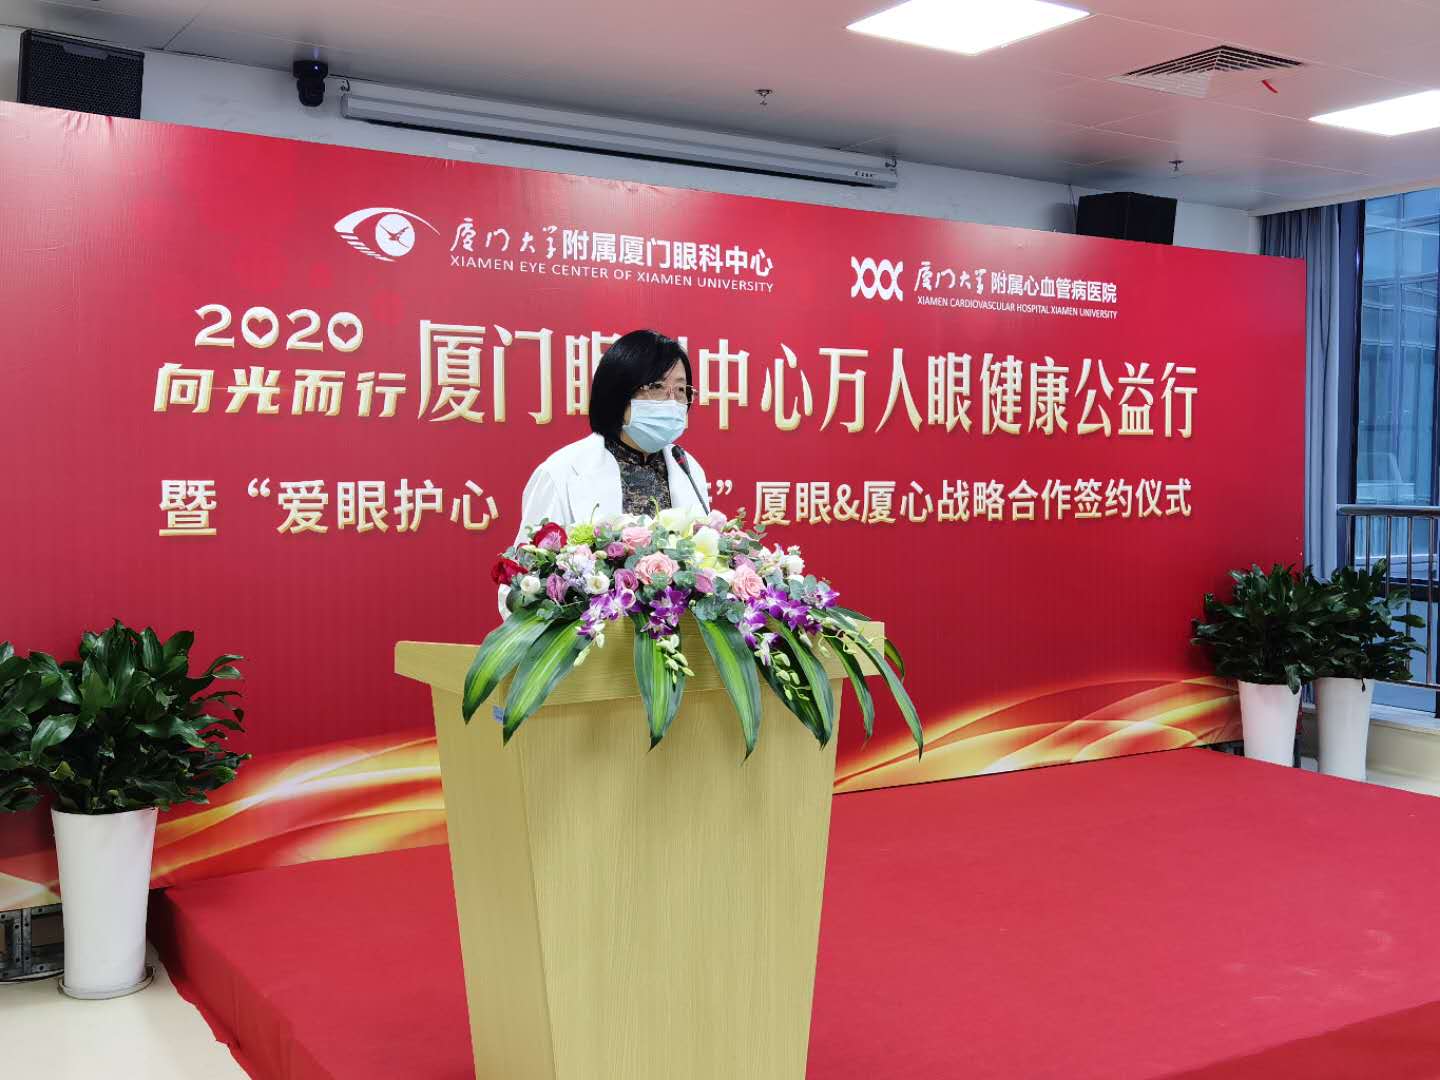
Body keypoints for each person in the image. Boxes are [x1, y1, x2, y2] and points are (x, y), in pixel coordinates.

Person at [498, 329, 710, 615]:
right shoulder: (562, 471)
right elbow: (520, 587)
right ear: (619, 392)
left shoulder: (686, 467)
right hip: (592, 637)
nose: (672, 401)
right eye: (657, 386)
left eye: (681, 390)